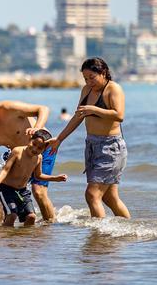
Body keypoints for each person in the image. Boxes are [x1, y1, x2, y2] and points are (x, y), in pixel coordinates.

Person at [51, 57, 129, 219]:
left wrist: (94, 109)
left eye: (92, 77)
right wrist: (59, 139)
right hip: (92, 145)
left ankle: (99, 235)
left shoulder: (113, 89)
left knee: (92, 195)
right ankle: (126, 231)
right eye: (85, 78)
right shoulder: (86, 90)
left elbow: (119, 115)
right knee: (109, 197)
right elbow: (78, 117)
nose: (88, 81)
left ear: (104, 73)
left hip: (110, 147)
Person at [0, 96, 57, 223]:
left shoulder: (8, 109)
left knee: (38, 191)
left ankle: (49, 227)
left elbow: (43, 109)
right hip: (18, 155)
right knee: (3, 191)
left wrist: (37, 128)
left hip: (41, 149)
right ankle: (0, 231)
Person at [0, 129, 67, 227]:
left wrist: (55, 178)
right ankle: (5, 238)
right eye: (34, 144)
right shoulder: (17, 151)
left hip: (23, 192)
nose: (35, 149)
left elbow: (38, 176)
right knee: (12, 215)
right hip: (7, 190)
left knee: (31, 216)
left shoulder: (38, 158)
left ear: (44, 150)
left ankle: (24, 238)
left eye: (40, 148)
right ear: (30, 139)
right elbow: (5, 170)